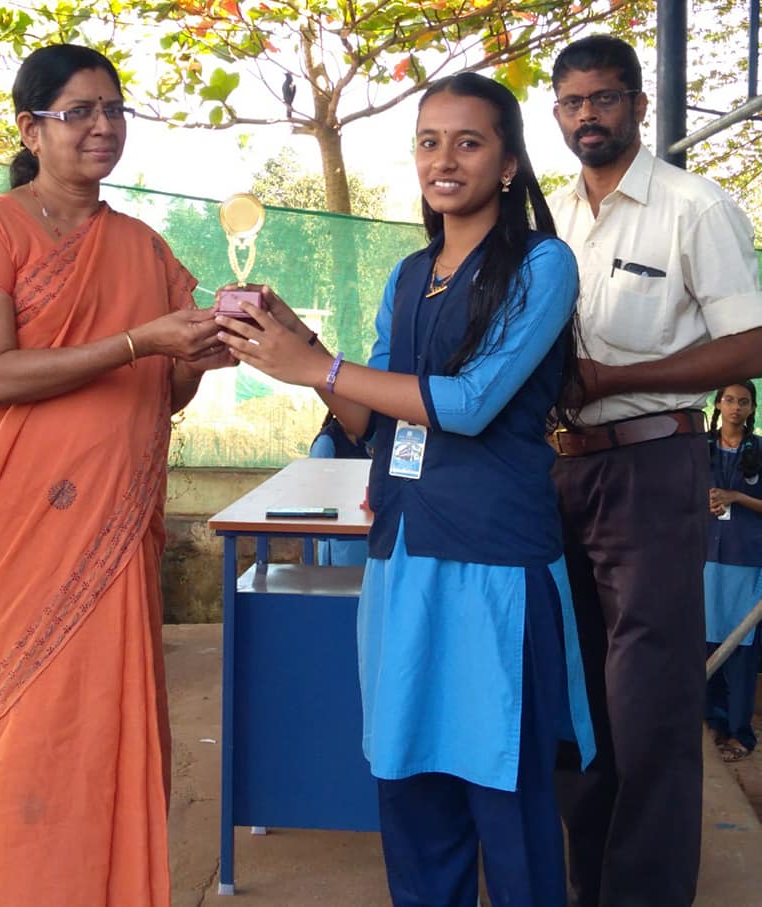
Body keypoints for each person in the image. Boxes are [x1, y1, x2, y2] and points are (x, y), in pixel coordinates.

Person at [215, 72, 595, 907]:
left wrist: (322, 367)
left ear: (508, 162)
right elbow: (372, 417)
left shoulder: (543, 263)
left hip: (494, 564)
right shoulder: (409, 274)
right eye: (429, 142)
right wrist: (296, 345)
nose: (443, 159)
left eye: (469, 142)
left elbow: (470, 403)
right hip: (403, 557)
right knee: (411, 786)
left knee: (506, 794)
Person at [0, 44, 232, 906]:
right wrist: (141, 340)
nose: (103, 127)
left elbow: (163, 393)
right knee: (20, 729)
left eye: (114, 110)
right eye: (80, 112)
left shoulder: (142, 246)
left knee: (99, 730)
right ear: (31, 129)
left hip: (110, 532)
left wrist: (198, 352)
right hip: (16, 531)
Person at [547, 34, 762, 907]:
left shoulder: (693, 207)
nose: (588, 115)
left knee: (649, 702)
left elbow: (750, 343)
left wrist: (612, 379)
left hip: (652, 466)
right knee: (575, 692)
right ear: (556, 114)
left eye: (604, 97)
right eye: (572, 102)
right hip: (558, 471)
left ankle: (646, 894)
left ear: (638, 105)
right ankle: (587, 883)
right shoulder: (550, 217)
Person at [705, 381, 762, 763]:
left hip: (747, 559)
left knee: (741, 649)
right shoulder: (700, 448)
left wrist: (737, 497)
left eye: (743, 401)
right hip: (704, 558)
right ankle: (716, 724)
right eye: (729, 400)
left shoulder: (759, 449)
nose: (735, 407)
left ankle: (742, 733)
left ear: (752, 408)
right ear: (717, 404)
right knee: (707, 643)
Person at [309, 411, 370, 566]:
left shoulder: (365, 439)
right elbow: (317, 493)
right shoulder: (326, 442)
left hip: (363, 527)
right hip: (340, 536)